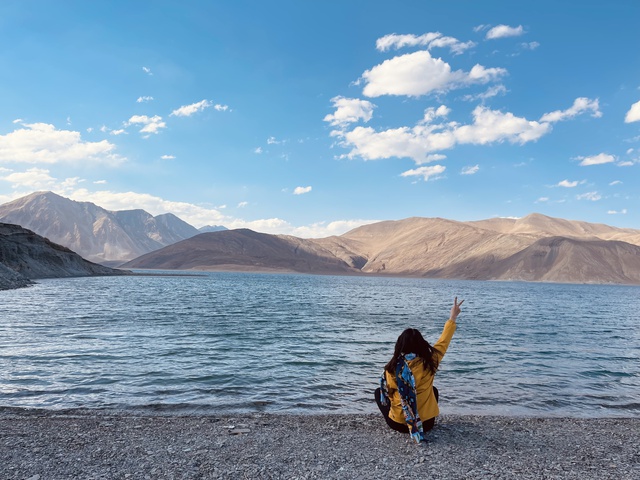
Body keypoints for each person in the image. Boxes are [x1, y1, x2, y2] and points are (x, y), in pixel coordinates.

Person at [375, 297, 464, 443]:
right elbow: (444, 341)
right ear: (422, 344)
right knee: (433, 390)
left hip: (398, 424)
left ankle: (402, 417)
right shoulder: (431, 361)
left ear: (399, 346)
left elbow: (389, 395)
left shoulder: (391, 368)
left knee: (379, 392)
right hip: (426, 424)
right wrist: (452, 317)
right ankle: (421, 415)